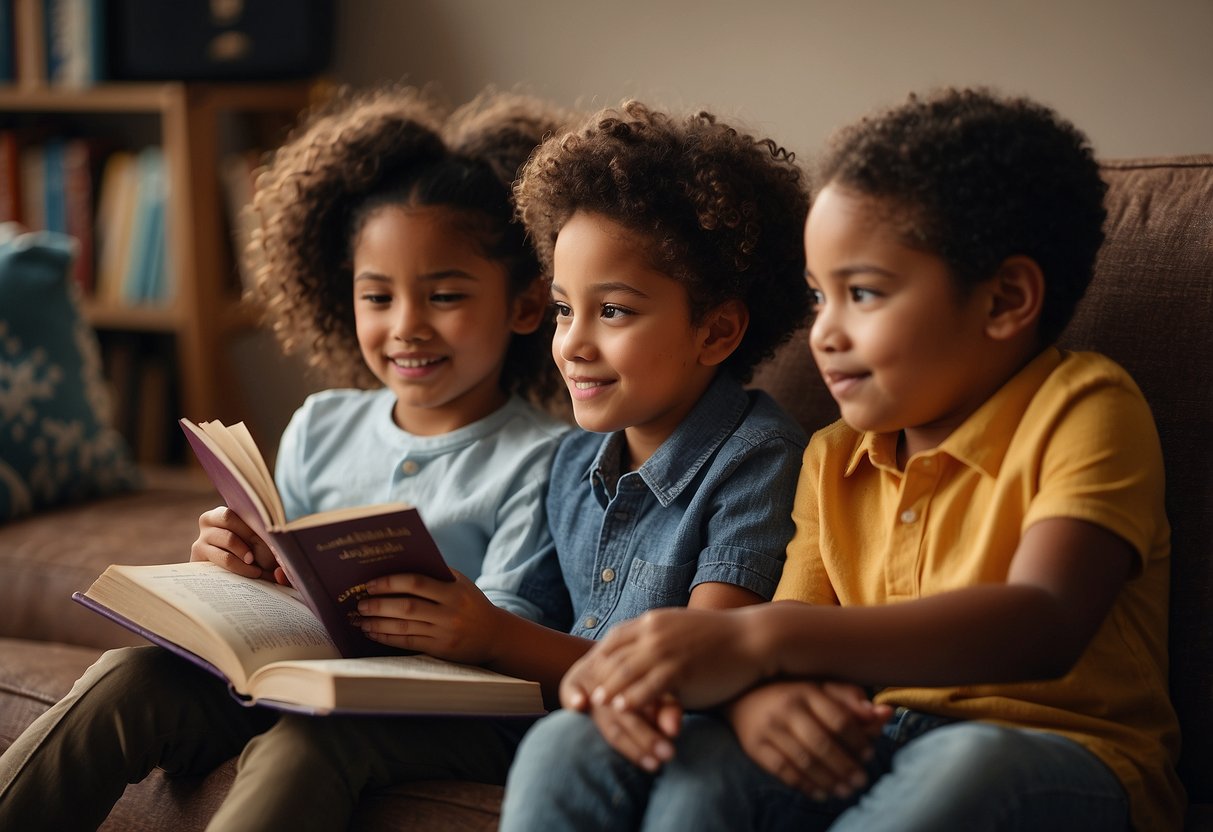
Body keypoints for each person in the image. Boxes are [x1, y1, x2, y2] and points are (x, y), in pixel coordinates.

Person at [0, 96, 813, 831]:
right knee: (132, 677)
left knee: (311, 749)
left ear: (716, 331)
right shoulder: (574, 462)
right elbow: (508, 613)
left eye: (611, 312)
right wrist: (247, 567)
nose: (572, 341)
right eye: (568, 310)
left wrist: (484, 631)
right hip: (383, 683)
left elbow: (673, 653)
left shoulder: (720, 454)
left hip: (511, 719)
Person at [503, 87, 1185, 831]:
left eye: (861, 293)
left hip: (1057, 755)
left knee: (967, 768)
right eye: (816, 297)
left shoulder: (1083, 405)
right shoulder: (831, 457)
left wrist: (756, 642)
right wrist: (764, 695)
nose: (822, 333)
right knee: (599, 750)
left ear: (1003, 300)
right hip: (866, 738)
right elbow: (795, 628)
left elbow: (1045, 620)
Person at [0, 83, 573, 830]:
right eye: (377, 297)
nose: (405, 327)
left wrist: (466, 621)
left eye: (443, 296)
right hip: (307, 677)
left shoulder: (549, 459)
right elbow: (282, 578)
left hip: (445, 711)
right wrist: (230, 565)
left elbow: (512, 634)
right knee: (129, 676)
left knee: (311, 741)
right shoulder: (321, 423)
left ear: (524, 307)